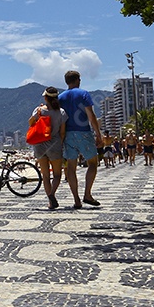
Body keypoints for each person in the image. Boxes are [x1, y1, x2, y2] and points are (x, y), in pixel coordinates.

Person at [58, 70, 103, 208]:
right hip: (83, 132)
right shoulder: (83, 94)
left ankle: (76, 200)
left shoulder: (60, 97)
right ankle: (87, 195)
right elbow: (91, 115)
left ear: (66, 81)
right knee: (93, 163)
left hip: (68, 134)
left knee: (71, 167)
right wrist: (98, 134)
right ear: (78, 80)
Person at [28, 86, 67, 210]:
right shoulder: (61, 112)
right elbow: (62, 132)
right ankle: (51, 195)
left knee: (45, 175)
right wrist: (60, 144)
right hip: (54, 144)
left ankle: (50, 202)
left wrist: (38, 115)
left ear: (45, 97)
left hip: (39, 145)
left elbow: (30, 123)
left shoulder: (39, 110)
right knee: (57, 174)